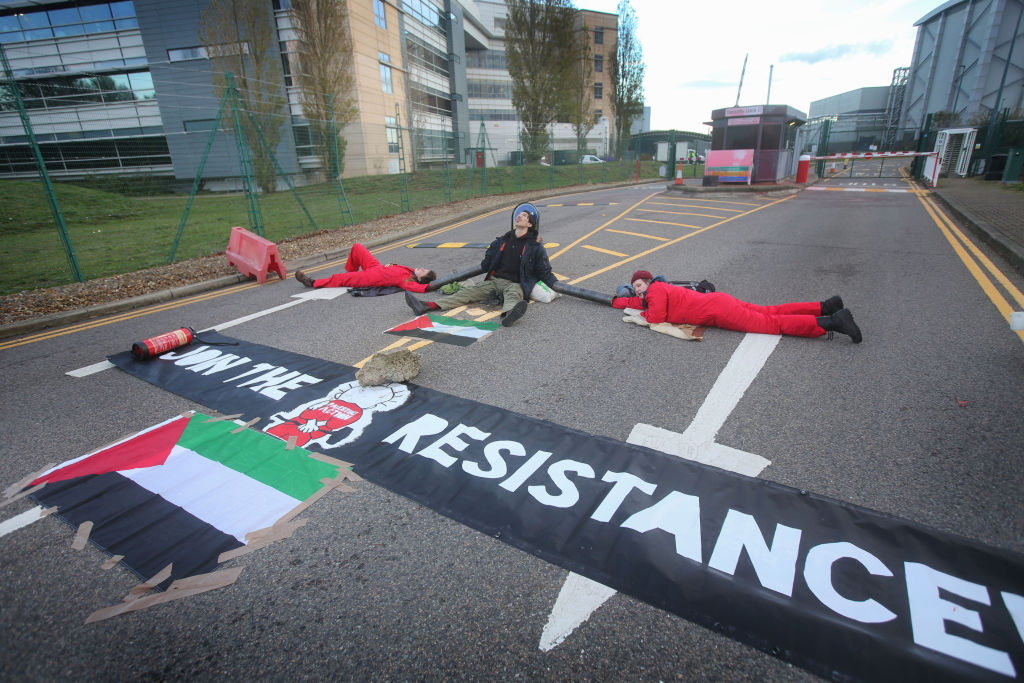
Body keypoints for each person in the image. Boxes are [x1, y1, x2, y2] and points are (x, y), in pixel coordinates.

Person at [404, 202, 557, 327]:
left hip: (515, 283)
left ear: (530, 224)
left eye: (524, 215)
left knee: (513, 295)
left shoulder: (535, 247)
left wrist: (555, 284)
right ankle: (426, 305)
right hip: (495, 281)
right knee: (467, 292)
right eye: (519, 214)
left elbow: (544, 271)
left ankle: (510, 315)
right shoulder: (500, 241)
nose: (519, 216)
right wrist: (490, 253)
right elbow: (486, 264)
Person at [614, 270, 862, 343]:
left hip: (718, 311)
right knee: (769, 311)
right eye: (634, 287)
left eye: (638, 284)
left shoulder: (656, 291)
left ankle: (832, 321)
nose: (637, 289)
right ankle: (826, 306)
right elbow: (639, 303)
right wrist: (619, 301)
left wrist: (643, 314)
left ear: (648, 281)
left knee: (771, 323)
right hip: (719, 302)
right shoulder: (658, 289)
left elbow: (655, 317)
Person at [294, 243, 436, 293]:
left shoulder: (409, 282)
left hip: (371, 278)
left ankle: (311, 282)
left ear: (419, 278)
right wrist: (392, 264)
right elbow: (395, 269)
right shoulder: (410, 271)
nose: (422, 268)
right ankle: (351, 275)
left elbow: (421, 288)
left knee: (339, 278)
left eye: (424, 271)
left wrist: (436, 285)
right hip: (376, 267)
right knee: (357, 248)